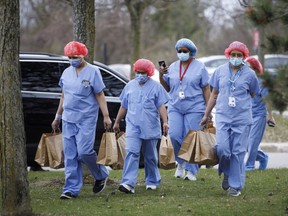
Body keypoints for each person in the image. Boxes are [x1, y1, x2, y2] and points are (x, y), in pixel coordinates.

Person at [51, 41, 112, 199]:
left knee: (84, 152)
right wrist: (57, 117)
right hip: (68, 119)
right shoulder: (66, 73)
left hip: (86, 118)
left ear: (83, 55)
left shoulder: (93, 71)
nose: (72, 59)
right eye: (70, 57)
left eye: (75, 56)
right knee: (70, 155)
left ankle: (100, 174)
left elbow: (99, 94)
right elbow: (63, 96)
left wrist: (106, 116)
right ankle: (70, 189)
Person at [200, 41, 259, 197]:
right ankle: (227, 171)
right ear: (228, 55)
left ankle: (235, 186)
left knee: (238, 152)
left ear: (244, 57)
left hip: (242, 118)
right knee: (223, 149)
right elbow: (213, 94)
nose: (236, 57)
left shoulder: (250, 74)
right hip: (224, 116)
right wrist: (206, 114)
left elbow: (253, 93)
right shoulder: (219, 71)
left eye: (239, 55)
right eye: (233, 55)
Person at [113, 58, 170, 194]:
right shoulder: (130, 86)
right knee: (131, 153)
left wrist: (165, 121)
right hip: (133, 126)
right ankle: (128, 183)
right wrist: (117, 122)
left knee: (150, 156)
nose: (140, 75)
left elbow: (161, 106)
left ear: (148, 73)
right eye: (138, 72)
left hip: (150, 126)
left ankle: (152, 180)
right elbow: (124, 105)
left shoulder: (156, 87)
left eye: (143, 72)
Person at [159, 38, 210, 181]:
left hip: (195, 107)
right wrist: (161, 74)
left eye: (184, 51)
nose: (181, 53)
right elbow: (167, 87)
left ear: (191, 52)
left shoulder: (200, 67)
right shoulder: (173, 67)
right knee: (174, 135)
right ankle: (180, 163)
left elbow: (206, 88)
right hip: (175, 106)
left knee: (191, 138)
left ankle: (191, 171)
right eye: (179, 51)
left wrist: (208, 111)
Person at [245, 56, 276, 171]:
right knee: (245, 145)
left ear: (255, 69)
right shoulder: (245, 81)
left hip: (259, 115)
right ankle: (263, 157)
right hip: (246, 115)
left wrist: (271, 116)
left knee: (252, 143)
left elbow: (267, 100)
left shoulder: (262, 83)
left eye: (249, 67)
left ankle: (249, 166)